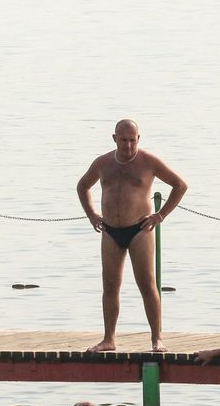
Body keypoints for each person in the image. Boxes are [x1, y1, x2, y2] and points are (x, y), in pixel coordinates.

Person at [76, 119, 188, 353]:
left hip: (140, 229)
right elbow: (83, 186)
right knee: (110, 285)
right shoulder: (103, 162)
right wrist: (92, 215)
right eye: (123, 140)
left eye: (132, 140)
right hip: (110, 230)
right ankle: (109, 339)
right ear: (114, 138)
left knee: (147, 284)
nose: (127, 145)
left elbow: (179, 185)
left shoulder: (149, 162)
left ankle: (156, 339)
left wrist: (161, 215)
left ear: (138, 139)